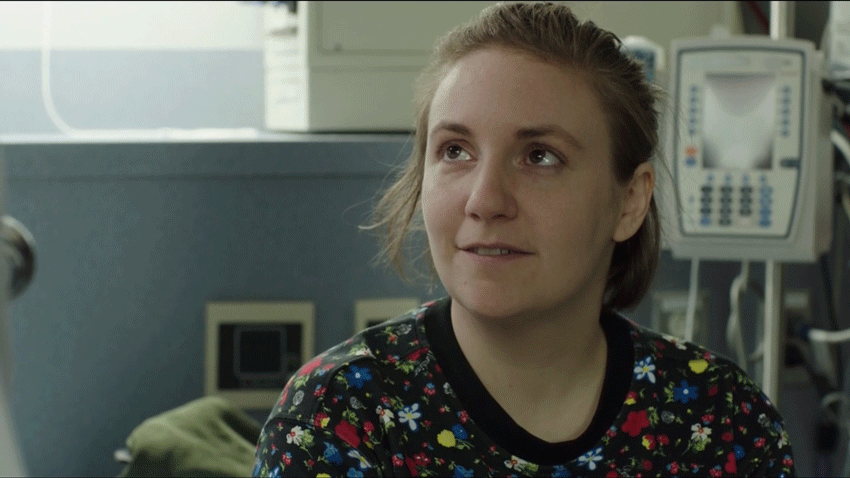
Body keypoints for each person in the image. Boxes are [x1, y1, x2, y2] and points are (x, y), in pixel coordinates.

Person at [252, 2, 795, 476]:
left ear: (630, 200)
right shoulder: (338, 420)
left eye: (540, 156)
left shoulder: (722, 424)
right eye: (455, 151)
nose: (485, 199)